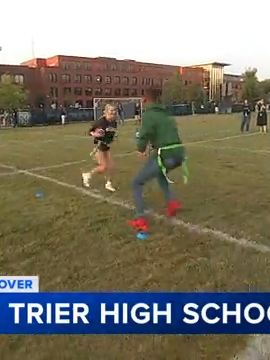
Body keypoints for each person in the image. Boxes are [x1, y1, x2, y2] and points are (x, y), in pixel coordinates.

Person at [128, 89, 184, 231]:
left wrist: (140, 149)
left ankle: (140, 219)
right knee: (160, 174)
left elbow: (145, 134)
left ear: (146, 100)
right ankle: (172, 203)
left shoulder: (149, 115)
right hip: (179, 154)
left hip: (165, 154)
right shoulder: (165, 114)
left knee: (136, 182)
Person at [82, 104, 117, 192]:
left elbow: (111, 134)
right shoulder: (101, 122)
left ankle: (108, 183)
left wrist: (111, 139)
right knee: (103, 167)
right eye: (111, 110)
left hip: (106, 145)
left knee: (111, 166)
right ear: (105, 111)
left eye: (114, 110)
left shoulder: (113, 122)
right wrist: (95, 134)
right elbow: (90, 132)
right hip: (99, 146)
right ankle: (87, 175)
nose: (113, 112)